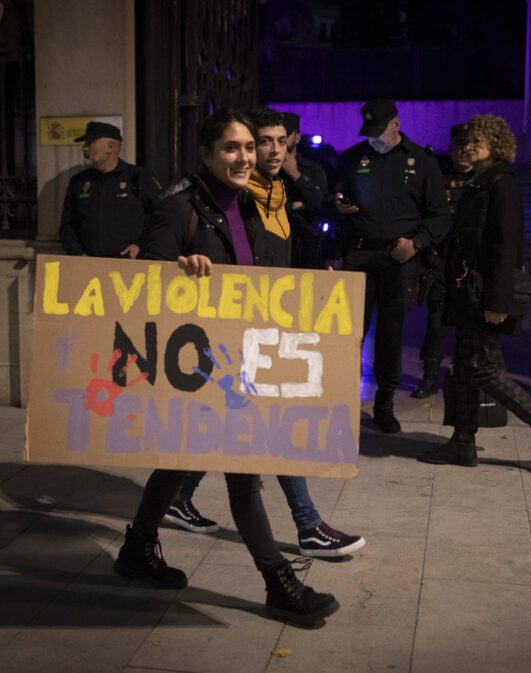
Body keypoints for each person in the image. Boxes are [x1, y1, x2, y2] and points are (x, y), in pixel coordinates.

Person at [115, 108, 338, 628]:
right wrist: (179, 268)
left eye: (248, 148)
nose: (244, 157)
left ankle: (137, 548)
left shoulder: (246, 206)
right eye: (232, 148)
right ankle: (278, 581)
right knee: (243, 475)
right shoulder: (179, 208)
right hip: (197, 363)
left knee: (177, 461)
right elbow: (142, 285)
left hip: (237, 358)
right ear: (207, 155)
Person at [164, 107, 364, 560]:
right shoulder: (234, 197)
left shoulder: (275, 191)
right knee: (265, 425)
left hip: (269, 323)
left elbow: (281, 255)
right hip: (233, 330)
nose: (266, 152)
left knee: (231, 425)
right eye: (257, 143)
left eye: (275, 143)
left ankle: (173, 499)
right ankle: (308, 525)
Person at [418, 115, 531, 470]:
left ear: (497, 144)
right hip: (467, 291)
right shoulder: (479, 182)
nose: (469, 146)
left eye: (479, 141)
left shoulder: (501, 183)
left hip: (485, 293)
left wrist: (498, 302)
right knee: (463, 368)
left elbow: (506, 246)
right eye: (467, 141)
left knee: (480, 367)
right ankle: (462, 442)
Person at [334, 98, 450, 432]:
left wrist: (416, 244)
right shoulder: (353, 158)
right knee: (350, 331)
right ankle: (343, 400)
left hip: (400, 260)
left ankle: (384, 402)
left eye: (379, 130)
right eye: (368, 131)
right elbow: (337, 195)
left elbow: (440, 216)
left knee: (390, 332)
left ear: (396, 123)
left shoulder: (422, 162)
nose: (374, 138)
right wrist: (338, 204)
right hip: (358, 256)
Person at [411, 124, 473, 399]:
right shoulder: (438, 176)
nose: (463, 151)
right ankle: (429, 377)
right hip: (441, 260)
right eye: (459, 145)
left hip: (470, 264)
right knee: (436, 322)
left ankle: (465, 377)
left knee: (468, 325)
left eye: (468, 145)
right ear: (451, 147)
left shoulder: (485, 179)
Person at [59, 121, 161, 259]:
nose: (84, 148)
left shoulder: (138, 177)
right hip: (88, 265)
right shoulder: (79, 182)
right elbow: (67, 225)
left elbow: (161, 217)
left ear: (110, 147)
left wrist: (140, 245)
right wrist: (77, 253)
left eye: (90, 143)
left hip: (128, 265)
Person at [278, 111, 329, 269]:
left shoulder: (312, 169)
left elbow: (320, 202)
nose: (281, 141)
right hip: (276, 241)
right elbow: (267, 205)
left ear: (297, 137)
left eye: (285, 136)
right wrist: (297, 205)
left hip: (306, 243)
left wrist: (295, 174)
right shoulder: (270, 170)